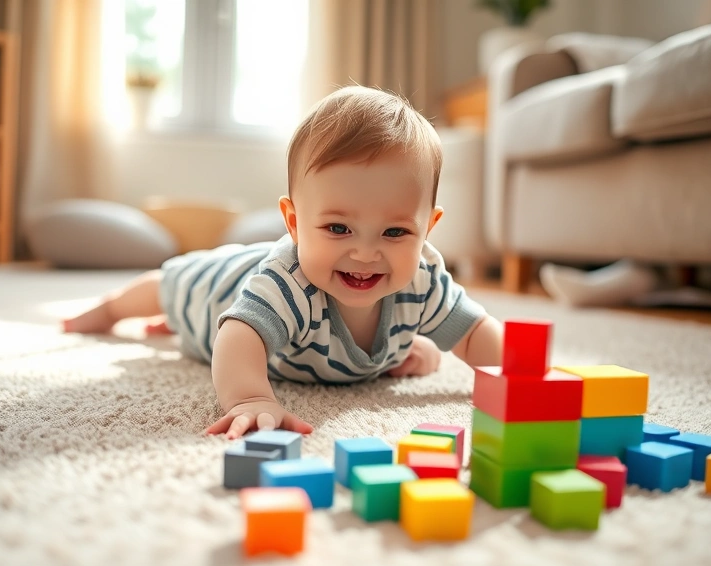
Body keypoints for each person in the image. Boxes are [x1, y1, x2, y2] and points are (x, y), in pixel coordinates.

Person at [63, 86, 504, 439]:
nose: (366, 254)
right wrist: (250, 399)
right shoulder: (288, 283)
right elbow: (238, 339)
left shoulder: (423, 279)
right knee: (171, 285)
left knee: (421, 348)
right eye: (337, 228)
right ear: (294, 222)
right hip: (220, 292)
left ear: (428, 228)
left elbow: (474, 332)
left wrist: (524, 376)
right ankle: (110, 305)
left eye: (395, 232)